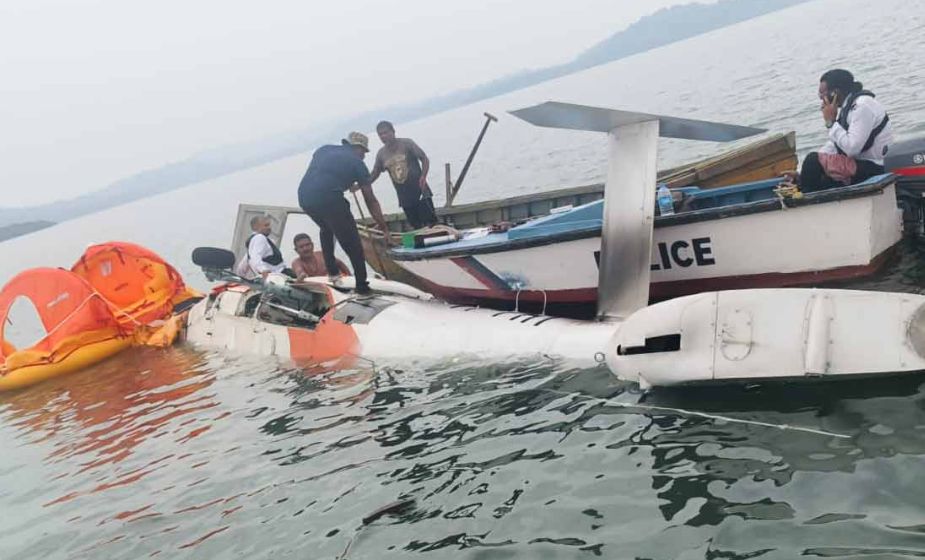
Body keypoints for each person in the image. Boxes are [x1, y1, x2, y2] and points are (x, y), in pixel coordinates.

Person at [297, 131, 390, 295]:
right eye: (363, 152)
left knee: (326, 228)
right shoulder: (357, 163)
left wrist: (345, 182)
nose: (363, 156)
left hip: (305, 197)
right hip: (330, 199)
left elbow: (324, 174)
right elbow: (370, 199)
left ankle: (332, 272)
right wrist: (383, 226)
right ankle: (362, 286)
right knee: (353, 243)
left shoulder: (324, 149)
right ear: (358, 148)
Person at [797, 69, 893, 193]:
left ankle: (805, 201)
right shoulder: (848, 107)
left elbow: (852, 148)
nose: (821, 99)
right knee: (814, 171)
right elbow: (834, 146)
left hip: (874, 166)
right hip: (860, 165)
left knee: (812, 160)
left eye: (822, 94)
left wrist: (831, 123)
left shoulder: (862, 106)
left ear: (835, 92)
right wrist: (802, 173)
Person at [370, 120, 438, 229]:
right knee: (416, 227)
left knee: (431, 224)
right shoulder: (381, 154)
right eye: (380, 134)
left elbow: (424, 158)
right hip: (404, 197)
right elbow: (375, 173)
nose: (383, 136)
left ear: (393, 131)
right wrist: (360, 184)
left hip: (420, 191)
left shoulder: (407, 143)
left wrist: (423, 176)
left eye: (385, 132)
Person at [236, 215, 292, 279]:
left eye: (269, 225)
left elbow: (245, 262)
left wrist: (240, 277)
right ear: (255, 227)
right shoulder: (260, 238)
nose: (269, 227)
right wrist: (263, 270)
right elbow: (255, 257)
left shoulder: (255, 240)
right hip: (276, 275)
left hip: (273, 275)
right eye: (266, 225)